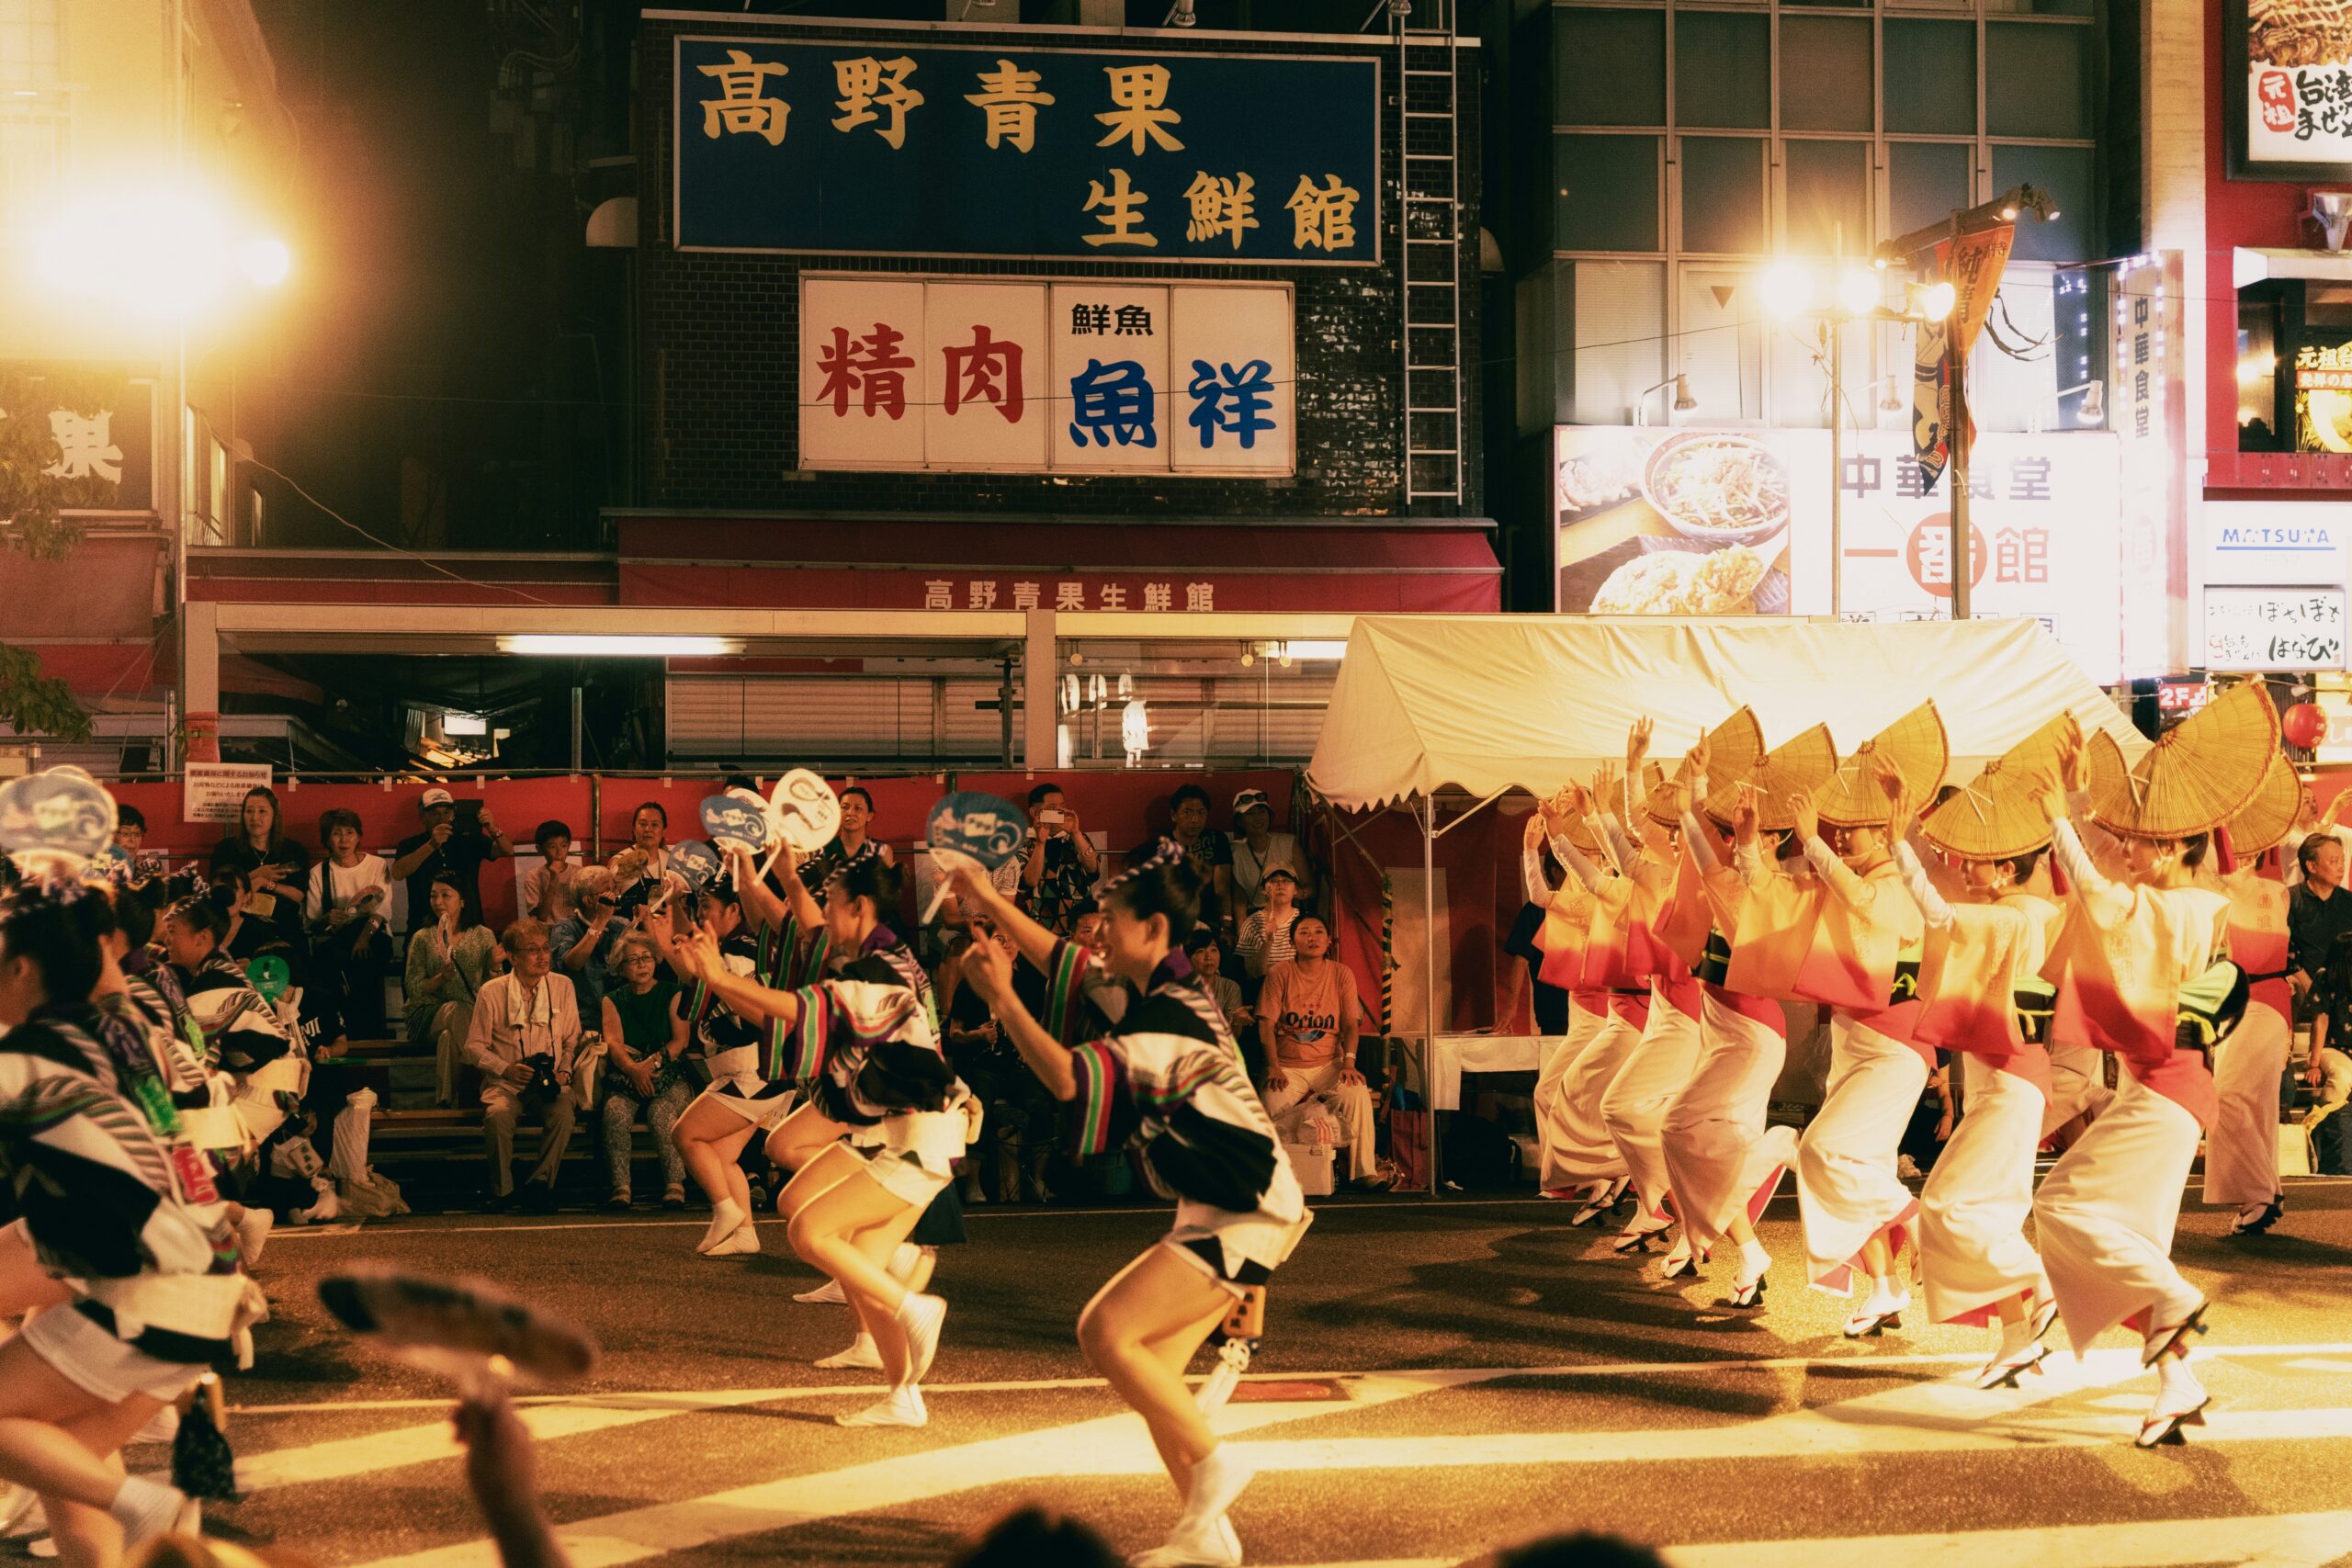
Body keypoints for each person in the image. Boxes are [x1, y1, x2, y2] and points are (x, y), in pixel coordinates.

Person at [952, 845, 1308, 1568]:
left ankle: (1215, 1463)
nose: (1096, 934)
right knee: (1152, 1370)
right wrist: (989, 901)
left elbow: (1065, 1079)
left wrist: (1001, 997)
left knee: (1105, 1330)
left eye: (1108, 922)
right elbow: (1062, 960)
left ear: (1151, 929)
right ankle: (1206, 1536)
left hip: (1245, 1202)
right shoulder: (1157, 988)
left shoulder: (1166, 1021)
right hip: (1227, 1196)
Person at [0, 877, 261, 1568]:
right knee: (63, 1466)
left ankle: (145, 1504)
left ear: (22, 967)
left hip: (156, 1286)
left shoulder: (26, 1060)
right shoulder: (119, 1029)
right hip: (203, 1279)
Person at [662, 851, 963, 1428]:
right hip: (894, 1127)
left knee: (809, 1228)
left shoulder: (877, 972)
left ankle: (913, 1303)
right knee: (850, 1254)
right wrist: (772, 884)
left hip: (922, 1131)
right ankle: (903, 1393)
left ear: (860, 907)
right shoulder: (869, 953)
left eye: (832, 902)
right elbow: (805, 928)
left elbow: (801, 1010)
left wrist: (721, 977)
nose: (822, 914)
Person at [2034, 707, 2247, 1448]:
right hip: (2159, 1087)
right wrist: (2084, 809)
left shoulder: (2182, 907)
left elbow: (2098, 896)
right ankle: (2176, 1383)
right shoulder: (2186, 902)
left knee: (2061, 1204)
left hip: (2165, 1090)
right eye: (2132, 838)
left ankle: (2177, 1299)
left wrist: (2068, 811)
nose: (2132, 849)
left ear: (2183, 845)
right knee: (2134, 1238)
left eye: (2147, 840)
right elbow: (2106, 894)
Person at [1748, 716, 1933, 1339]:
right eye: (1842, 827)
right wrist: (1753, 845)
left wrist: (1818, 847)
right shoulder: (1844, 880)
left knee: (1825, 1151)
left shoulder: (1899, 886)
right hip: (1857, 1047)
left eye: (1858, 828)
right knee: (1858, 1172)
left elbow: (1863, 900)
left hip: (1896, 1049)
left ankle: (1920, 1219)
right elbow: (1777, 892)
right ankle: (1883, 1287)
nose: (1846, 835)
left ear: (1887, 831)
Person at [1883, 755, 2062, 1387]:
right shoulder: (2031, 910)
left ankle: (2038, 1288)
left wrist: (1900, 843)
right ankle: (2017, 1335)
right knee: (1969, 1206)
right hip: (2008, 1078)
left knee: (1954, 1203)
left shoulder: (2016, 916)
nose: (1965, 866)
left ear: (2007, 867)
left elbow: (1943, 915)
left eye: (1977, 859)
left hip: (2013, 1082)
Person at [1656, 726, 1806, 1311]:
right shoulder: (1726, 882)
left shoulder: (1782, 886)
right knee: (1716, 1144)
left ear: (1773, 840)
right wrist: (1697, 780)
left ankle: (1776, 1150)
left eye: (1752, 834)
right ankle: (1746, 1252)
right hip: (1726, 1025)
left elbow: (1754, 886)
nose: (1735, 840)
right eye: (1736, 833)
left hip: (1751, 1032)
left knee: (1677, 1127)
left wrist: (1750, 843)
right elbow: (1695, 837)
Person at [669, 863, 803, 1257]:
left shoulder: (742, 952)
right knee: (724, 1159)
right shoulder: (726, 951)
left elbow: (742, 1016)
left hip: (754, 1070)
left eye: (707, 907)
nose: (700, 916)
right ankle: (745, 1233)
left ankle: (725, 1210)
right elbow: (700, 981)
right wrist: (668, 937)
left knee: (686, 1134)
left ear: (734, 911)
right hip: (748, 1069)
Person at [1259, 912, 1387, 1190]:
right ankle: (1274, 1178)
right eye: (1304, 932)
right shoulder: (1280, 972)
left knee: (1356, 1092)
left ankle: (1363, 1173)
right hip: (1288, 1065)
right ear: (1293, 941)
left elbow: (1351, 1025)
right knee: (1270, 1102)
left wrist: (1349, 1064)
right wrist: (1274, 1066)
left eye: (1318, 932)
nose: (1312, 938)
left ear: (1329, 941)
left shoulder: (1341, 973)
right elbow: (1265, 1025)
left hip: (1329, 1063)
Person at [461, 918, 582, 1213]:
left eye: (545, 949)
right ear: (512, 957)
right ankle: (503, 1191)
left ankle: (539, 1185)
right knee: (498, 1115)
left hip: (548, 1082)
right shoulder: (492, 991)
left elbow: (571, 1039)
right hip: (506, 1083)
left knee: (564, 1112)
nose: (542, 956)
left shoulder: (563, 985)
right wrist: (506, 1069)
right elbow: (472, 1047)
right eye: (532, 950)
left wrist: (564, 1071)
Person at [597, 933, 691, 1211]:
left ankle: (675, 1185)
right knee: (614, 1111)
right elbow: (613, 1043)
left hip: (668, 1073)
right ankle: (621, 1186)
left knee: (661, 1113)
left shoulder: (672, 992)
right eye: (633, 960)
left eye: (647, 958)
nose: (642, 965)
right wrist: (633, 1070)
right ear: (621, 967)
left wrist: (649, 1066)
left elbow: (680, 1041)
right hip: (628, 1074)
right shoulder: (612, 999)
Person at [404, 874, 498, 1107]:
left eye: (446, 895)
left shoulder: (483, 935)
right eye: (433, 896)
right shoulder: (422, 937)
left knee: (448, 1038)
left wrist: (495, 966)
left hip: (468, 1016)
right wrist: (439, 979)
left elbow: (494, 986)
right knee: (456, 1010)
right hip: (426, 1015)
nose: (438, 902)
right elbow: (413, 988)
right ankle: (493, 1077)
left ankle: (444, 1102)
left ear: (463, 901)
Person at [304, 808, 392, 1042]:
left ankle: (368, 1034)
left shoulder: (377, 864)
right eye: (336, 834)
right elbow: (312, 921)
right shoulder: (318, 873)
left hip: (373, 935)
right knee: (331, 960)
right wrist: (326, 919)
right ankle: (343, 1033)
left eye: (350, 832)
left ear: (359, 836)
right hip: (336, 941)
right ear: (327, 839)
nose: (344, 840)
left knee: (364, 960)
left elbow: (382, 910)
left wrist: (363, 938)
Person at [390, 789, 511, 934]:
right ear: (423, 817)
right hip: (424, 925)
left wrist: (492, 827)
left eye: (447, 812)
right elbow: (397, 873)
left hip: (468, 924)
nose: (442, 818)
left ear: (454, 814)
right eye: (435, 813)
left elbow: (507, 851)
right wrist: (431, 845)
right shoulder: (410, 844)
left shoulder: (468, 838)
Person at [209, 786, 308, 958]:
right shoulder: (226, 849)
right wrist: (255, 874)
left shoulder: (293, 850)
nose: (255, 818)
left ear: (274, 816)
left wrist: (266, 883)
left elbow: (298, 895)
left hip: (283, 925)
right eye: (249, 811)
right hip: (239, 926)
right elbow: (218, 891)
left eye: (262, 811)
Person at [1131, 784, 1234, 939]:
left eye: (1201, 813)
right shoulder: (1159, 847)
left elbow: (1222, 888)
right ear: (1173, 815)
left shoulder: (1216, 839)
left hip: (1211, 922)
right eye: (1187, 812)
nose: (1195, 819)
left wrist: (1226, 927)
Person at [550, 865, 630, 1032]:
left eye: (613, 888)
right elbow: (573, 963)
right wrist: (600, 921)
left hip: (622, 1013)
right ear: (588, 900)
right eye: (607, 890)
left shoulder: (620, 924)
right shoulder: (564, 928)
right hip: (584, 1019)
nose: (614, 894)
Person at [1020, 782, 1099, 933]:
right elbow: (1029, 881)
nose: (1060, 812)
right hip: (1039, 925)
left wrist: (1075, 833)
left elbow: (1093, 870)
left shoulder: (1076, 838)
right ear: (1035, 812)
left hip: (1080, 926)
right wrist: (1040, 843)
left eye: (1062, 807)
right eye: (1053, 808)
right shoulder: (1024, 842)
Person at [1228, 787, 1314, 912]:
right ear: (1239, 821)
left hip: (1288, 912)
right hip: (1255, 916)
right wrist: (1242, 930)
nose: (1258, 818)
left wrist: (1293, 893)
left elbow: (1310, 887)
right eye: (1250, 814)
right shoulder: (1235, 851)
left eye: (1262, 812)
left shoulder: (1288, 843)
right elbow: (1239, 899)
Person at [806, 786, 894, 886]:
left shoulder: (882, 851)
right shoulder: (823, 849)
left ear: (869, 815)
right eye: (845, 807)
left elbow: (885, 893)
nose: (850, 812)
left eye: (858, 808)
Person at [1186, 930, 1253, 1047]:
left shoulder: (1230, 987)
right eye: (1201, 951)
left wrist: (1236, 1022)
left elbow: (1232, 1039)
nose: (1209, 957)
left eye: (1213, 950)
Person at [1233, 867, 1301, 979]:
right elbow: (1251, 972)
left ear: (1296, 889)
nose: (1280, 885)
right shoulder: (1252, 923)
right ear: (1264, 890)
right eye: (1273, 881)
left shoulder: (1304, 921)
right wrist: (1268, 942)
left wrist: (1270, 969)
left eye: (1286, 880)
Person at [518, 821, 576, 927]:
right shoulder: (533, 876)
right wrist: (553, 880)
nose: (559, 852)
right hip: (547, 931)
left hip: (574, 929)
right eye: (553, 847)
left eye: (563, 845)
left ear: (569, 845)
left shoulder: (579, 873)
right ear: (539, 849)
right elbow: (541, 917)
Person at [613, 802, 671, 882]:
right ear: (634, 829)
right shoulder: (620, 860)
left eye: (654, 825)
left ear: (664, 831)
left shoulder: (671, 862)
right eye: (642, 824)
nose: (648, 829)